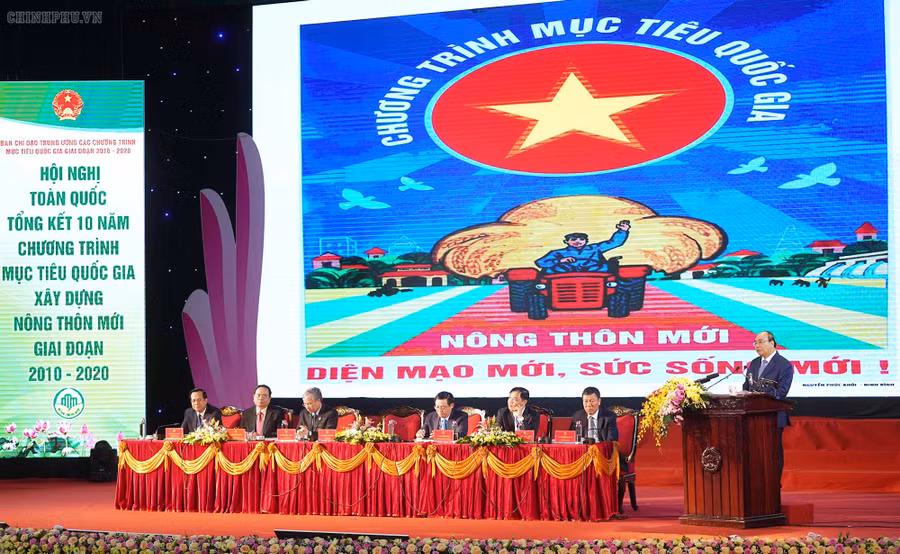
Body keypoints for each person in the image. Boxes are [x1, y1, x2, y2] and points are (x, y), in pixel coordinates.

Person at [743, 330, 793, 486]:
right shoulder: (754, 363)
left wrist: (760, 391)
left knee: (772, 452)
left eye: (760, 342)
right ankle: (756, 483)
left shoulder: (784, 365)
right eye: (755, 343)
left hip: (773, 416)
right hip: (752, 416)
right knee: (753, 453)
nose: (756, 346)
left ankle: (773, 484)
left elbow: (782, 392)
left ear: (772, 343)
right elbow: (746, 387)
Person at [535, 221, 630, 274]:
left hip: (594, 273)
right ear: (566, 242)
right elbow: (540, 262)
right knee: (549, 271)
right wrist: (560, 261)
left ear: (586, 241)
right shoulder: (558, 253)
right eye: (573, 239)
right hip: (565, 275)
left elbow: (614, 243)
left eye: (581, 239)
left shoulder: (595, 248)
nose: (578, 242)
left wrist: (622, 231)